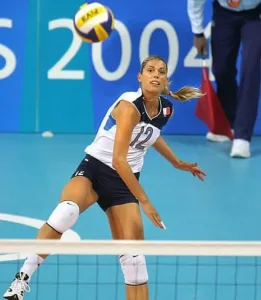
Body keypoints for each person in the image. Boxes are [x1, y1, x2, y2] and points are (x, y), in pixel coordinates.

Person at [3, 55, 206, 300]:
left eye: (161, 72)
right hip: (96, 169)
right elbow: (119, 160)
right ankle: (21, 280)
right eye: (150, 70)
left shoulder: (166, 109)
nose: (155, 75)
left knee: (135, 261)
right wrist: (145, 201)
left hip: (123, 183)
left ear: (165, 80)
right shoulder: (129, 107)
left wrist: (177, 163)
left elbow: (150, 135)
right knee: (65, 212)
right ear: (139, 77)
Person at [187, 0, 261, 158]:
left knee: (250, 68)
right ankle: (229, 123)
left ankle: (242, 137)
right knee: (221, 69)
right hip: (224, 13)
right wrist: (198, 32)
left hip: (256, 15)